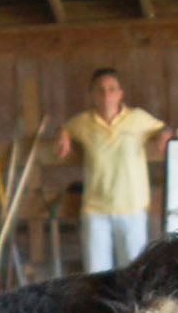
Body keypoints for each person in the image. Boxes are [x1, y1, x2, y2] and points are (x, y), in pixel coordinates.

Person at [54, 67, 171, 272]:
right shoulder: (83, 122)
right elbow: (65, 127)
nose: (106, 94)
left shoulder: (137, 118)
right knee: (96, 273)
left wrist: (163, 135)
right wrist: (62, 135)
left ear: (120, 94)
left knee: (134, 272)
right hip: (95, 209)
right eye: (100, 90)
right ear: (92, 95)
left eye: (111, 89)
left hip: (132, 207)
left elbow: (163, 128)